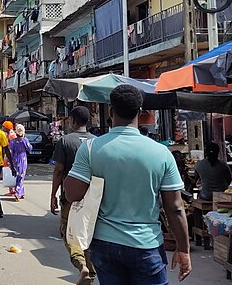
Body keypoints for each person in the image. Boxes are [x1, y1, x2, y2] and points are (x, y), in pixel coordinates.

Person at [65, 85, 192, 284]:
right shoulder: (162, 153)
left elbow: (72, 194)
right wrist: (183, 249)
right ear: (140, 113)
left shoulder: (90, 149)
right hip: (147, 245)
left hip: (105, 244)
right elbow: (175, 208)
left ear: (111, 111)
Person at [50, 106, 96, 285]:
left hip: (70, 196)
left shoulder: (65, 141)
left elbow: (58, 170)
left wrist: (53, 194)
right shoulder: (96, 141)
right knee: (88, 233)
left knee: (69, 232)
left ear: (73, 121)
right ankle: (90, 272)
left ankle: (81, 265)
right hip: (92, 197)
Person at [8, 124, 32, 200]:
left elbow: (10, 152)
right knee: (21, 176)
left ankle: (21, 192)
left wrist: (9, 161)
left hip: (15, 160)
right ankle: (18, 192)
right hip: (22, 159)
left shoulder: (13, 141)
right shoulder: (25, 140)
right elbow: (29, 149)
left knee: (18, 176)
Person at [1, 120, 16, 196]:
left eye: (4, 126)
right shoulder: (9, 134)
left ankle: (13, 190)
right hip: (9, 155)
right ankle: (11, 190)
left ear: (7, 127)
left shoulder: (11, 135)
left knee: (11, 171)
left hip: (11, 156)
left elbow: (11, 147)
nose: (2, 128)